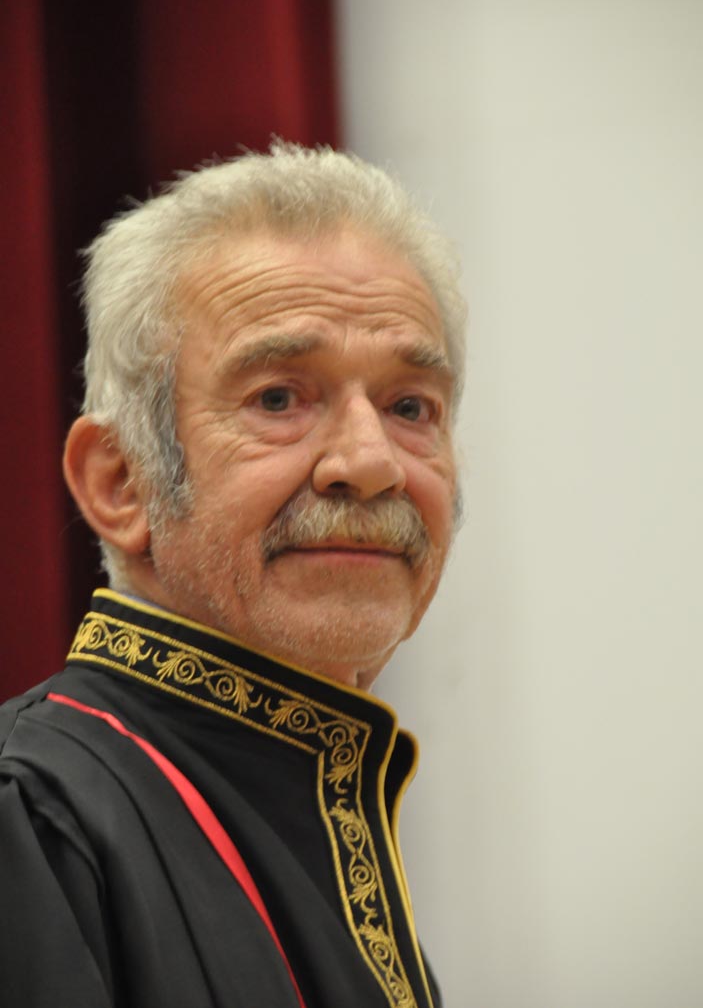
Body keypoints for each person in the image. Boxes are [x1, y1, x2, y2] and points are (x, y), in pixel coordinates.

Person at [0, 143, 466, 1008]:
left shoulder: (334, 805)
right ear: (121, 483)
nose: (371, 464)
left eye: (410, 407)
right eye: (278, 398)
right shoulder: (27, 817)